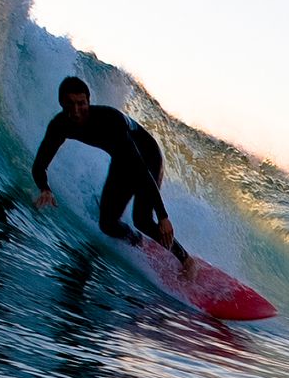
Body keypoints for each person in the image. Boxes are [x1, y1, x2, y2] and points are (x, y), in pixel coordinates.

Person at [32, 77, 195, 275]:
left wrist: (163, 216)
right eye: (70, 104)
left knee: (142, 218)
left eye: (81, 103)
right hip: (121, 159)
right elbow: (40, 165)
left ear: (89, 101)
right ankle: (137, 241)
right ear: (61, 103)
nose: (75, 110)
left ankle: (186, 260)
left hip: (147, 156)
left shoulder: (110, 120)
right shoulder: (59, 125)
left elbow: (140, 169)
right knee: (107, 225)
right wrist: (45, 188)